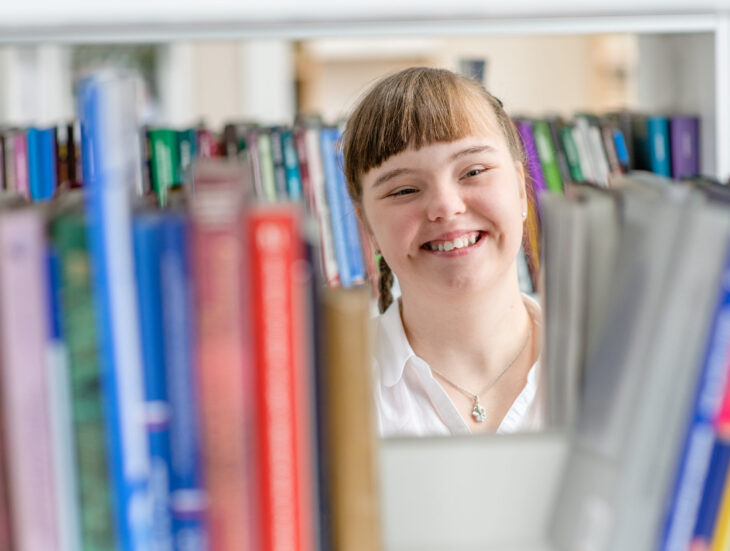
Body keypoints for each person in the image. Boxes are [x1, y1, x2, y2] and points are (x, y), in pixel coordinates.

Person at [342, 67, 544, 437]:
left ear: (519, 189)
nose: (445, 207)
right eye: (404, 190)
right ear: (366, 225)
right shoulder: (326, 391)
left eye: (473, 171)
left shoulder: (607, 366)